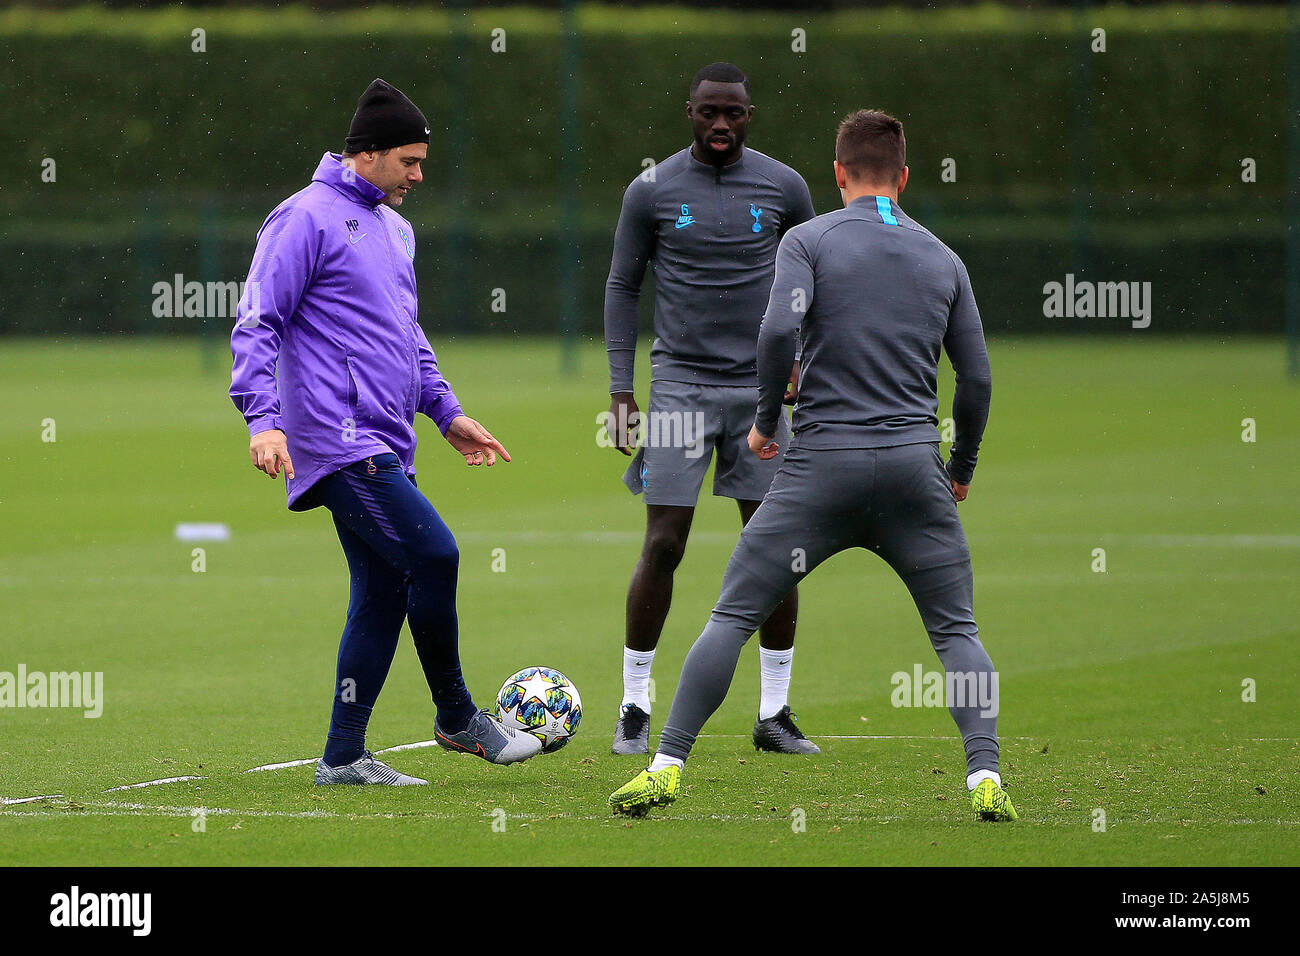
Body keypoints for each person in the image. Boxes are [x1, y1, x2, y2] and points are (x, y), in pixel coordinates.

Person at [609, 109, 1017, 822]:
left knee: (733, 614)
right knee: (957, 632)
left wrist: (767, 423)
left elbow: (775, 332)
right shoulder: (942, 257)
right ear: (905, 177)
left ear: (837, 174)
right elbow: (977, 378)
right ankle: (984, 776)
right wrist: (963, 464)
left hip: (821, 468)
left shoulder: (809, 240)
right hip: (912, 471)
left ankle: (666, 764)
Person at [230, 78, 542, 786]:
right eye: (408, 161)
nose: (419, 175)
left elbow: (406, 337)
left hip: (385, 438)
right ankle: (458, 717)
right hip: (335, 438)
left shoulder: (396, 229)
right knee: (435, 555)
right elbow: (258, 320)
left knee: (382, 591)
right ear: (366, 155)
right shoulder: (302, 218)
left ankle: (343, 757)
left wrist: (446, 410)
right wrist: (262, 419)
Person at [603, 62, 819, 756]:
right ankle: (636, 705)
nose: (720, 125)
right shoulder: (653, 189)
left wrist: (802, 367)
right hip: (679, 387)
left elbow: (822, 277)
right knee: (664, 542)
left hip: (760, 391)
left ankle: (774, 714)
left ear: (749, 115)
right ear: (688, 111)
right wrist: (620, 391)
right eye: (708, 113)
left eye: (733, 114)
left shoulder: (784, 186)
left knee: (775, 549)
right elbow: (620, 286)